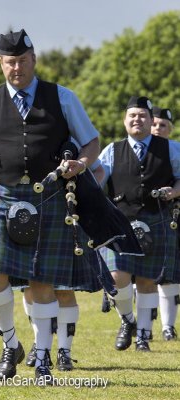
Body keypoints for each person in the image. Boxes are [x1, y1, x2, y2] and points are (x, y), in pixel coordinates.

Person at [0, 28, 110, 383]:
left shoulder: (62, 98)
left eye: (22, 61)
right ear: (1, 63)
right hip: (0, 195)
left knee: (42, 280)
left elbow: (91, 141)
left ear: (34, 59)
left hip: (49, 194)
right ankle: (11, 343)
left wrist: (81, 164)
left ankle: (42, 357)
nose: (17, 68)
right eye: (10, 63)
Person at [98, 96, 180, 352]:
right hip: (120, 222)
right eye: (132, 116)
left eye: (143, 116)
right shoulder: (112, 150)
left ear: (150, 120)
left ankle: (143, 336)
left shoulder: (171, 148)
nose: (138, 120)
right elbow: (97, 181)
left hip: (157, 220)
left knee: (147, 280)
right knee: (117, 277)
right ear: (125, 121)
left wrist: (174, 192)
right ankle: (127, 320)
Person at [22, 161, 106, 372]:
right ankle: (39, 344)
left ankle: (64, 352)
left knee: (64, 289)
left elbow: (98, 168)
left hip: (64, 216)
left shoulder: (69, 139)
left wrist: (84, 189)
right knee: (29, 288)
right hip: (28, 213)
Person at [151, 106, 180, 341]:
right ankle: (138, 326)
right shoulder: (130, 149)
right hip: (135, 217)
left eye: (163, 125)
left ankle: (168, 326)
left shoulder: (175, 149)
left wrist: (173, 193)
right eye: (155, 124)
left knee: (168, 275)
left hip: (171, 217)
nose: (157, 129)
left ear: (170, 129)